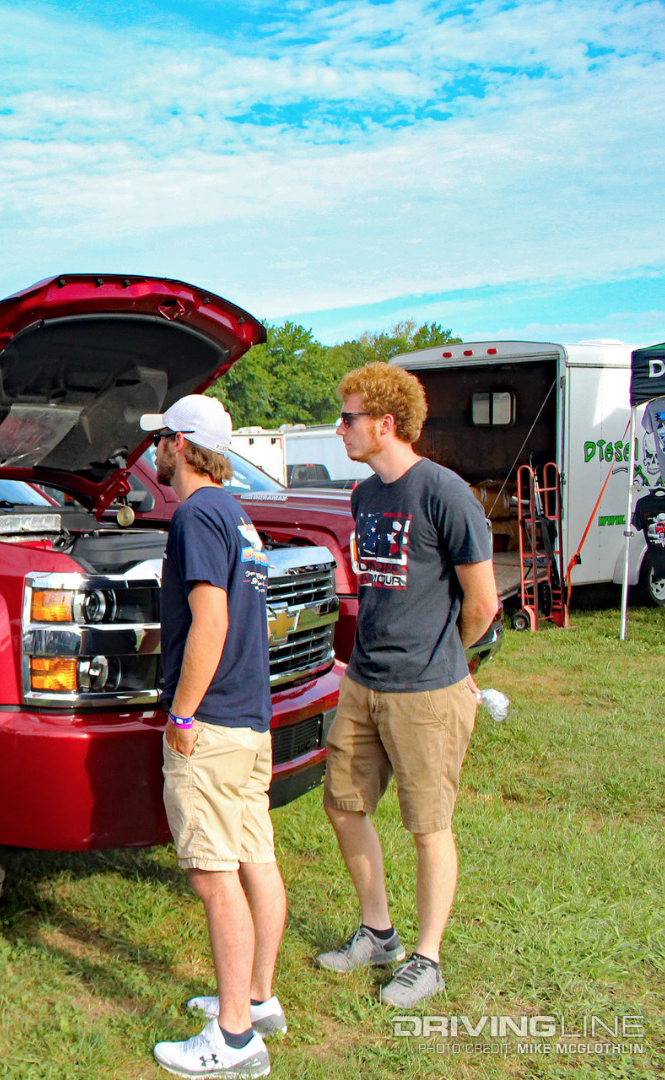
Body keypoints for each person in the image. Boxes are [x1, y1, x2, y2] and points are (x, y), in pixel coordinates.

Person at [318, 362, 500, 1009]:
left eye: (348, 417)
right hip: (364, 683)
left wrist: (447, 666)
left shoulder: (443, 493)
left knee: (428, 825)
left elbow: (482, 604)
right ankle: (379, 932)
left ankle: (428, 958)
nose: (339, 428)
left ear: (385, 423)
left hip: (427, 690)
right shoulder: (365, 496)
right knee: (343, 805)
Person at [143, 395, 287, 1079]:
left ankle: (232, 1040)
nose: (154, 451)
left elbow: (211, 621)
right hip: (251, 719)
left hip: (213, 724)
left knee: (213, 877)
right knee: (255, 857)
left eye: (160, 440)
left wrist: (181, 716)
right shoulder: (237, 512)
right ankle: (256, 1000)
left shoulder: (196, 514)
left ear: (179, 444)